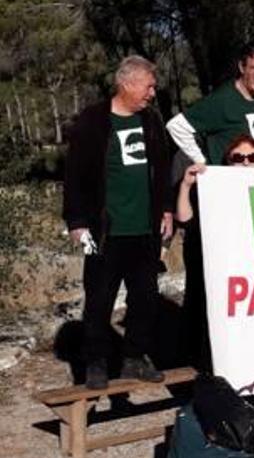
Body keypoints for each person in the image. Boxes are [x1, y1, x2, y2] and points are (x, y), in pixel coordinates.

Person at [63, 55, 172, 389]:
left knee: (145, 297)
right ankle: (95, 361)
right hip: (103, 231)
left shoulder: (151, 120)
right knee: (99, 298)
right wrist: (77, 223)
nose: (152, 93)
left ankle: (134, 357)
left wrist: (166, 209)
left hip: (144, 229)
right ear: (127, 83)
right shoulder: (93, 121)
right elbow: (75, 176)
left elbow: (163, 169)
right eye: (148, 85)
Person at [175, 135, 254, 370]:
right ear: (229, 161)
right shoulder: (214, 188)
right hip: (220, 276)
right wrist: (186, 186)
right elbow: (185, 219)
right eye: (239, 157)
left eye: (252, 157)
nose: (246, 163)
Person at [166, 42, 254, 165]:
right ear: (242, 67)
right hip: (228, 181)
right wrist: (201, 162)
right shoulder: (223, 99)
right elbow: (177, 126)